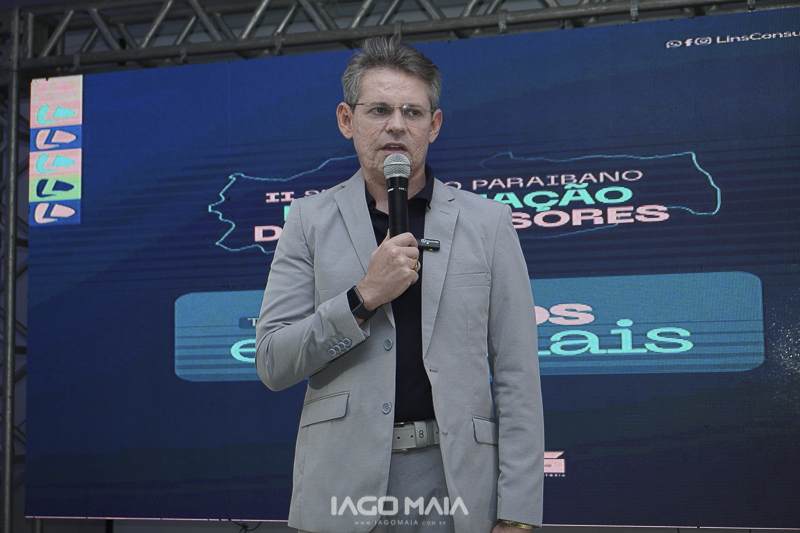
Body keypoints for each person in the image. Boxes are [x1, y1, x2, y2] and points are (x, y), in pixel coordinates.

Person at [255, 36, 544, 533]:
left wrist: (517, 514)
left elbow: (517, 374)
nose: (396, 125)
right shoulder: (308, 220)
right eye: (379, 110)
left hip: (454, 481)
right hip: (340, 479)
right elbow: (273, 362)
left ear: (434, 125)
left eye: (412, 112)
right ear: (347, 120)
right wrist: (363, 297)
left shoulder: (488, 223)